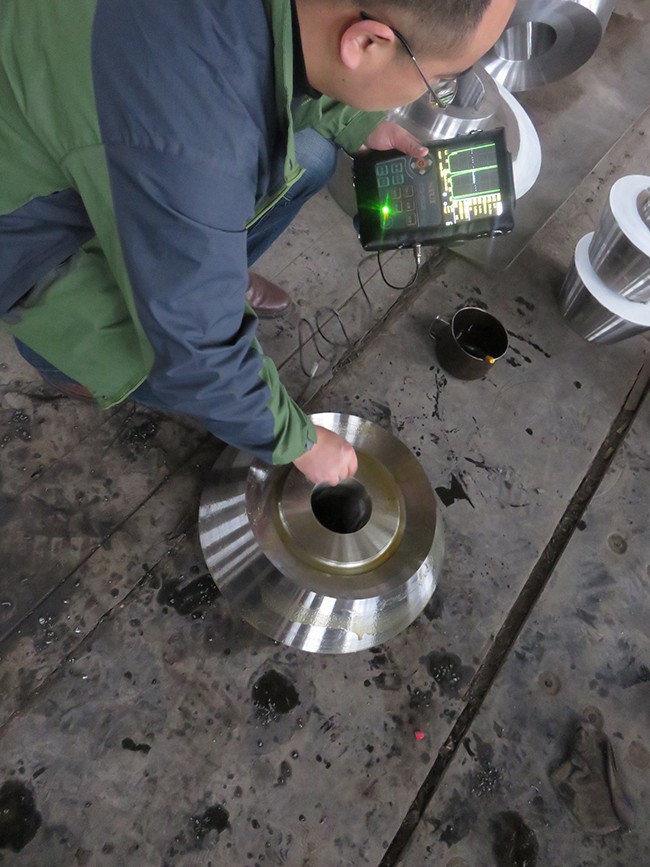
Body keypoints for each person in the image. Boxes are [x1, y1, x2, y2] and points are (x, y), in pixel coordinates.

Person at [0, 0, 515, 485]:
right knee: (156, 347)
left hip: (77, 97)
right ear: (365, 42)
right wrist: (300, 443)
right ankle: (64, 361)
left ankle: (203, 263)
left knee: (311, 156)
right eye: (438, 82)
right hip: (28, 235)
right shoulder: (196, 145)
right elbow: (197, 352)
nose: (432, 93)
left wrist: (357, 121)